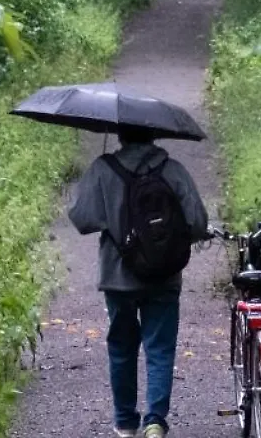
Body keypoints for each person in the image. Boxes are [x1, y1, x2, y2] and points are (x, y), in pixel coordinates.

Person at [68, 125, 209, 438]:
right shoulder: (173, 170)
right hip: (165, 275)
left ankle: (126, 422)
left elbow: (81, 219)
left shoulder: (104, 169)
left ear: (121, 136)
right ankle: (155, 420)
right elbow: (198, 222)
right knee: (160, 349)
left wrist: (110, 206)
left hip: (118, 278)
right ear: (153, 136)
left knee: (121, 347)